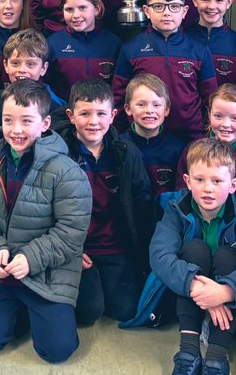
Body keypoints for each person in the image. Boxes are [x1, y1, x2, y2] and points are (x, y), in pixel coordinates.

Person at [125, 138, 236, 375]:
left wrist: (225, 292)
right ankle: (188, 352)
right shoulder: (176, 208)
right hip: (186, 295)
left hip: (234, 299)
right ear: (187, 182)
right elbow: (160, 255)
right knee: (195, 250)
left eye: (217, 181)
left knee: (228, 256)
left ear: (233, 185)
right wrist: (197, 286)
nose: (208, 188)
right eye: (200, 180)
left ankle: (216, 358)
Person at [0, 80, 91, 364]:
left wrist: (30, 258)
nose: (16, 130)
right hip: (4, 272)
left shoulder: (66, 170)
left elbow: (70, 232)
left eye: (27, 121)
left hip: (47, 272)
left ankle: (45, 315)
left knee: (57, 351)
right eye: (8, 120)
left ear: (45, 123)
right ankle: (23, 314)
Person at [54, 80, 151, 326]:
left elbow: (142, 201)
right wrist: (70, 250)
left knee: (126, 310)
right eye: (85, 114)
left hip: (115, 247)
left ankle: (106, 281)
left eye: (100, 114)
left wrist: (140, 254)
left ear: (113, 116)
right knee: (88, 313)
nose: (93, 122)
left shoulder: (126, 153)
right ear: (71, 116)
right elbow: (46, 207)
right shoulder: (58, 153)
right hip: (77, 248)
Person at [113, 0, 218, 139]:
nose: (167, 13)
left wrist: (204, 134)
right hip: (143, 137)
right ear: (147, 11)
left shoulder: (200, 49)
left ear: (184, 12)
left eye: (174, 6)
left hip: (190, 137)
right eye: (159, 6)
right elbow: (119, 98)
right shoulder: (131, 49)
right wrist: (120, 135)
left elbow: (210, 98)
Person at [180, 84, 236, 197]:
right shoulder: (192, 149)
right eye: (218, 116)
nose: (226, 124)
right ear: (209, 115)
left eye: (234, 118)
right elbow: (181, 190)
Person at [45, 0, 122, 100]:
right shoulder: (53, 44)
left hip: (102, 115)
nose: (76, 15)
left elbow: (119, 87)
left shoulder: (113, 43)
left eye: (82, 8)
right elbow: (46, 86)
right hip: (63, 115)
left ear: (96, 9)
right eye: (69, 9)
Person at [118, 74, 186, 201]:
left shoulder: (178, 149)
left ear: (166, 110)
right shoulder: (119, 145)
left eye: (156, 105)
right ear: (128, 109)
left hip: (166, 217)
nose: (149, 110)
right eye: (141, 105)